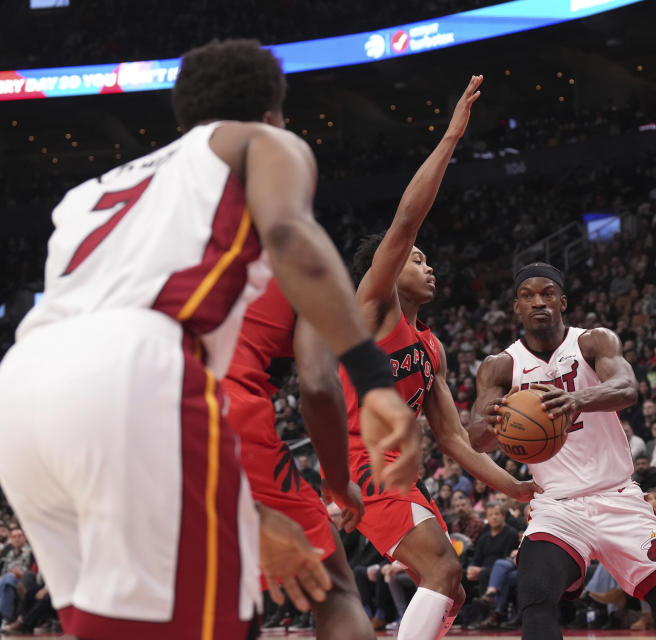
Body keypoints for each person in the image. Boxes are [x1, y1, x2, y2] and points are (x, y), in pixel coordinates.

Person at [0, 39, 417, 638]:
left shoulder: (87, 193)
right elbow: (288, 231)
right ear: (274, 111)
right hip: (136, 362)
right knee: (287, 602)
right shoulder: (261, 142)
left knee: (113, 627)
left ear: (181, 115)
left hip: (22, 384)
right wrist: (374, 381)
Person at [342, 74, 539, 640]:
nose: (428, 267)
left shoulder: (432, 347)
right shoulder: (372, 310)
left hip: (405, 477)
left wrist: (516, 488)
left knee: (451, 587)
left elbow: (453, 441)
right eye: (416, 260)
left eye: (428, 260)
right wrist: (452, 136)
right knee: (443, 568)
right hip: (367, 470)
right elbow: (405, 222)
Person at [469, 262, 656, 640]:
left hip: (616, 496)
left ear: (562, 301)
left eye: (547, 294)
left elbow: (626, 387)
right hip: (556, 505)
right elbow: (477, 439)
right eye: (527, 296)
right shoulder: (501, 366)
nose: (538, 302)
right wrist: (499, 417)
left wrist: (574, 400)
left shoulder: (593, 341)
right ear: (516, 307)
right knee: (535, 592)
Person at [223, 279, 382, 639]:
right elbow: (318, 386)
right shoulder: (297, 258)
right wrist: (339, 482)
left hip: (118, 412)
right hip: (221, 410)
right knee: (335, 591)